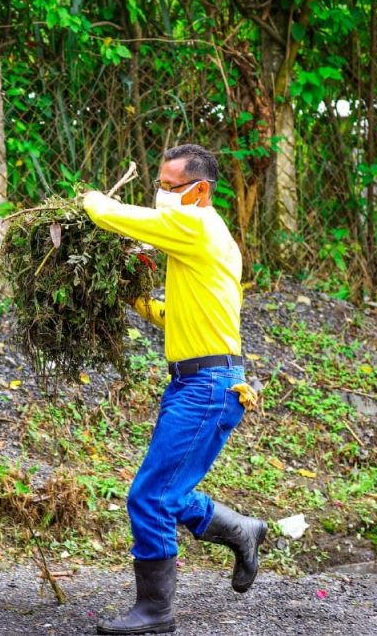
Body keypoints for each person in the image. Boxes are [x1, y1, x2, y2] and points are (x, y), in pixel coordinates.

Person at [82, 144, 268, 635]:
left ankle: (156, 611)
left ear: (199, 190)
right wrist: (138, 301)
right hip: (197, 381)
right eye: (159, 185)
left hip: (209, 386)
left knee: (149, 495)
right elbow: (179, 315)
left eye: (169, 187)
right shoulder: (203, 240)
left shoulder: (199, 225)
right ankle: (242, 530)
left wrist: (90, 201)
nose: (161, 195)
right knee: (166, 490)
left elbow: (115, 217)